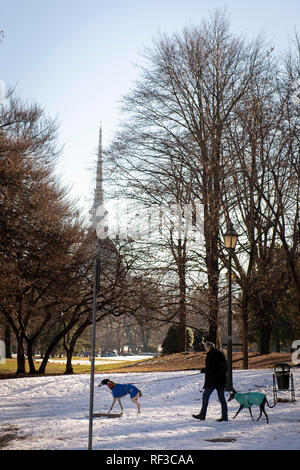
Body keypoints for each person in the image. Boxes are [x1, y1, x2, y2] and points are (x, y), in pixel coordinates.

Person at [192, 341, 228, 422]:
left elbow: (211, 367)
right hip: (221, 379)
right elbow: (219, 366)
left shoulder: (212, 355)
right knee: (222, 398)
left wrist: (204, 370)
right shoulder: (219, 353)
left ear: (209, 347)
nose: (205, 349)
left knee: (205, 396)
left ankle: (202, 415)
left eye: (205, 347)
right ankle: (224, 416)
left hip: (213, 380)